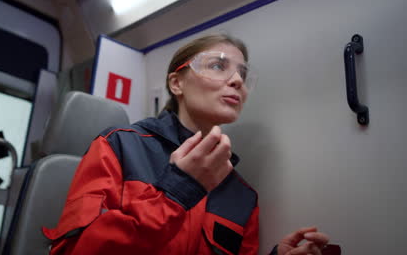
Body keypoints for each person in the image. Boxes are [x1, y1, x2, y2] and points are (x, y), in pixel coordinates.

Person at [43, 34, 330, 255]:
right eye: (218, 66)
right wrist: (178, 190)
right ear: (176, 83)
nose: (236, 81)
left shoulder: (243, 195)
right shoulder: (119, 146)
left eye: (242, 75)